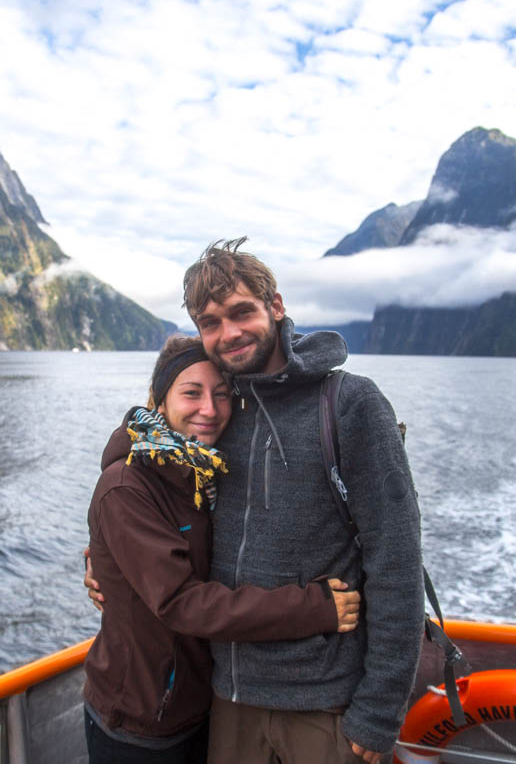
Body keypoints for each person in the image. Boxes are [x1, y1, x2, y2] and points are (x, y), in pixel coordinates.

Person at [88, 239, 424, 763]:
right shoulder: (222, 415)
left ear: (276, 306)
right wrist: (104, 566)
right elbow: (162, 504)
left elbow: (397, 559)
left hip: (323, 699)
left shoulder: (350, 404)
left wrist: (380, 710)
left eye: (242, 312)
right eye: (211, 322)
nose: (229, 333)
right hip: (228, 699)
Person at [83, 333, 362, 764]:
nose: (209, 410)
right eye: (191, 393)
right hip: (141, 719)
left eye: (221, 394)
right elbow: (184, 601)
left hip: (204, 703)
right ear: (159, 401)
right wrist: (312, 609)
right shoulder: (127, 486)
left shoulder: (204, 471)